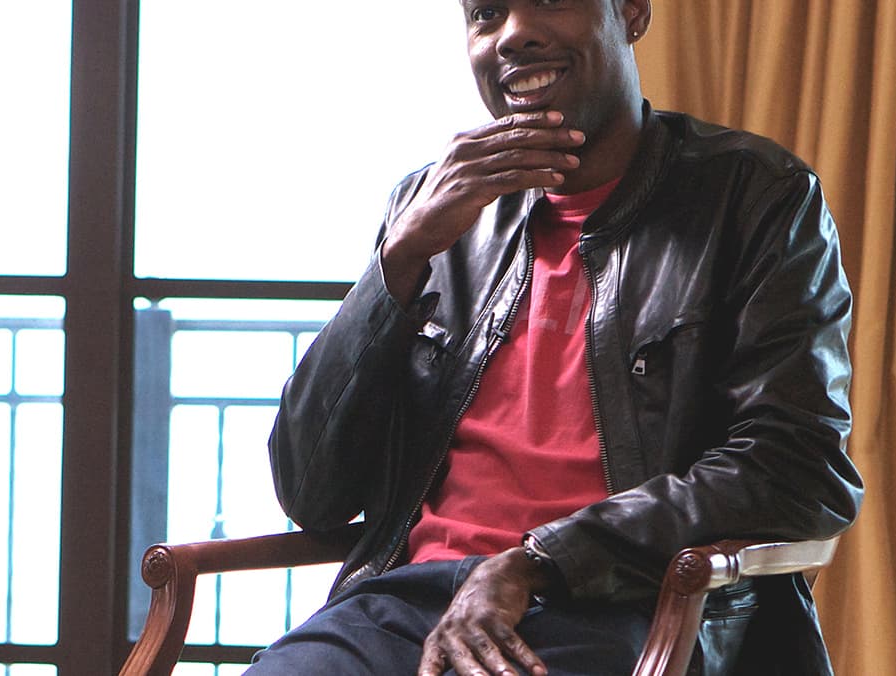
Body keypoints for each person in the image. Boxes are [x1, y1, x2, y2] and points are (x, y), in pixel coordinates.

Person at [254, 1, 862, 674]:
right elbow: (311, 493)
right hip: (404, 606)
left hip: (623, 603)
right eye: (486, 13)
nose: (513, 34)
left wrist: (541, 560)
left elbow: (797, 468)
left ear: (631, 13)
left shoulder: (754, 196)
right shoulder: (427, 213)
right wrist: (397, 262)